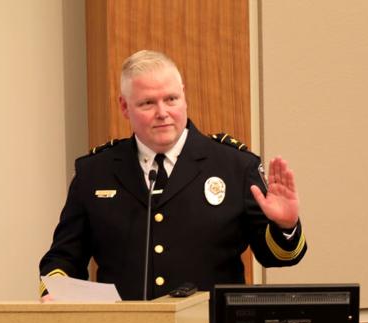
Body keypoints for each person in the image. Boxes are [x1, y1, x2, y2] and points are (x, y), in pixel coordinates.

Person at [39, 50, 306, 300]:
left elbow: (278, 257)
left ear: (184, 96)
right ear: (124, 107)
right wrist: (59, 295)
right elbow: (63, 258)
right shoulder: (95, 172)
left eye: (171, 99)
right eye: (147, 103)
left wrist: (285, 226)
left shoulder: (234, 165)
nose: (162, 113)